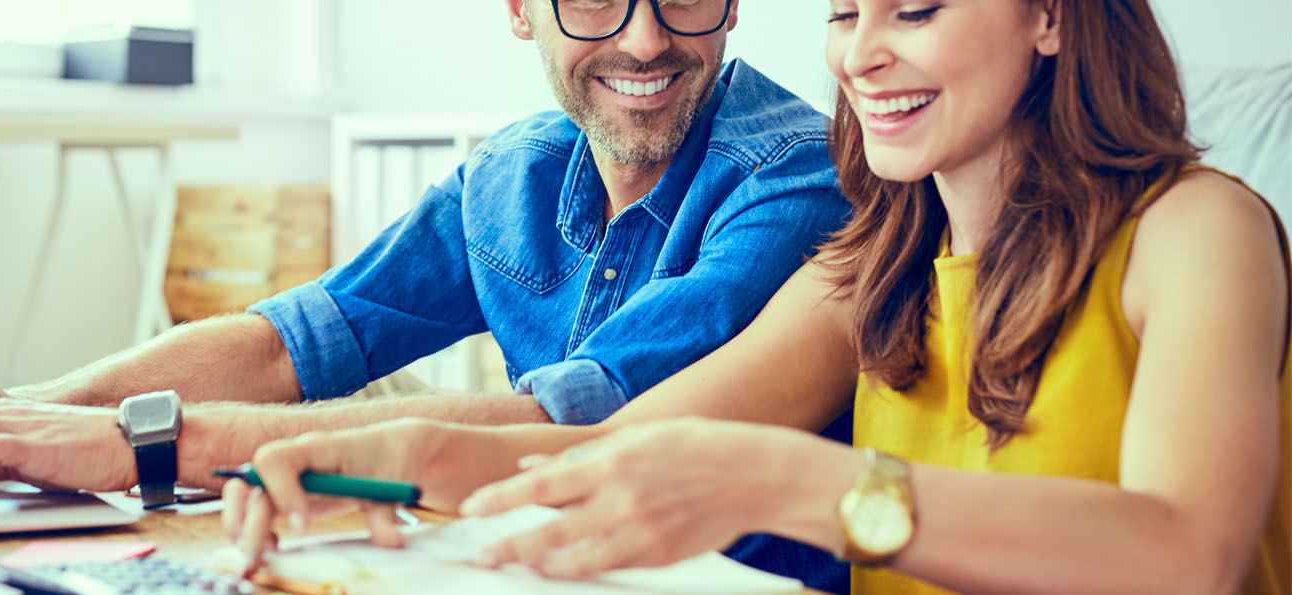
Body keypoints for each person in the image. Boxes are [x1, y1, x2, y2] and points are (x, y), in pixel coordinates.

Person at [222, 0, 1290, 592]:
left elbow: (1184, 553)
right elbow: (631, 441)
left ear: (1049, 16)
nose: (860, 56)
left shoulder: (1195, 231)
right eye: (841, 11)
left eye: (911, 9)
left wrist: (793, 482)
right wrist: (395, 462)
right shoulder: (874, 261)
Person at [0, 0, 858, 589]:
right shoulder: (512, 173)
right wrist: (36, 404)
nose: (643, 39)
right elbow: (294, 339)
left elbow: (572, 422)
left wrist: (147, 439)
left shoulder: (795, 176)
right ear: (517, 9)